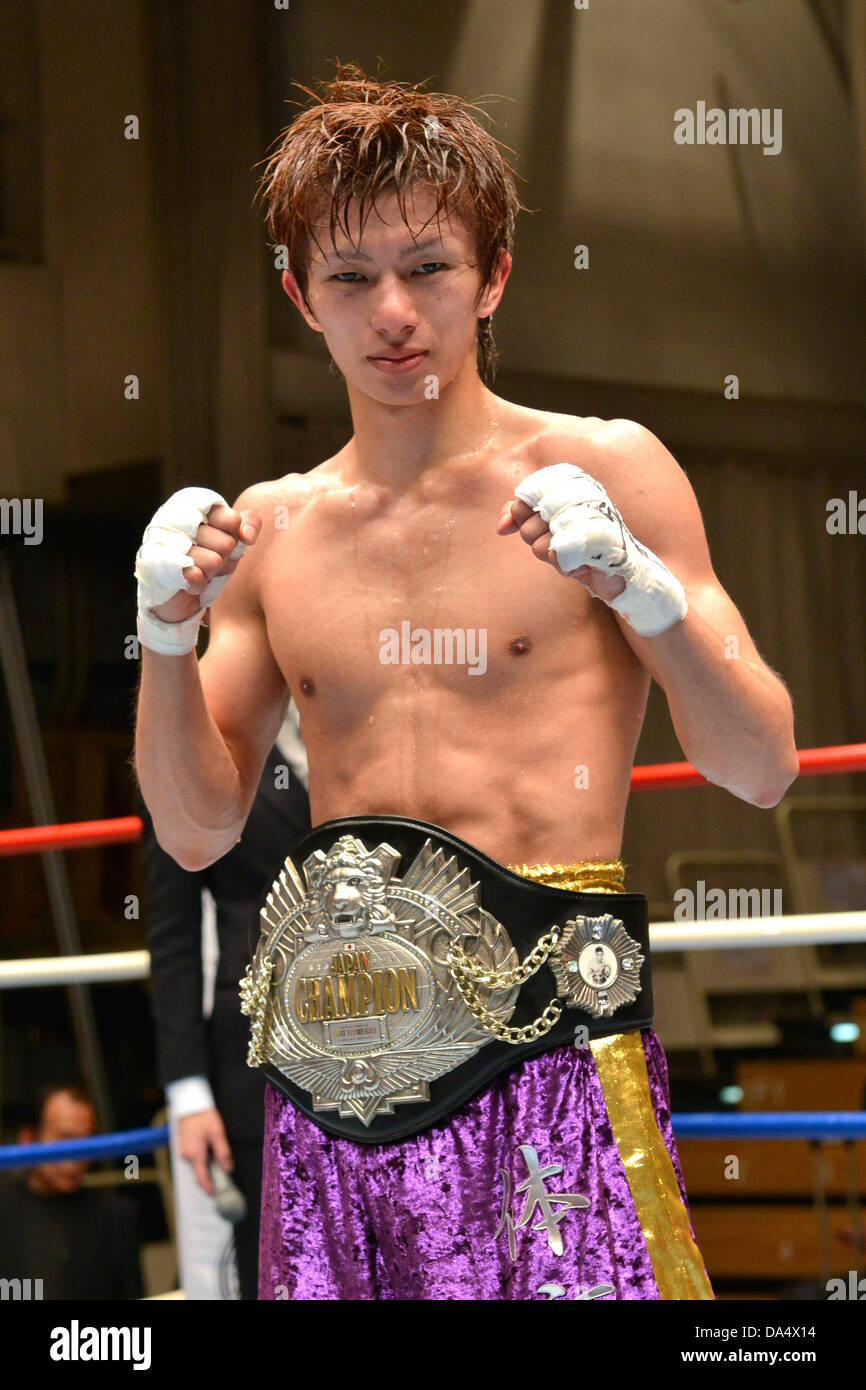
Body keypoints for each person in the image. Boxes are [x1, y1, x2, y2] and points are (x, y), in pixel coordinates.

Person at [132, 63, 798, 1300]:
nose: (393, 311)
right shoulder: (270, 530)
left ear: (492, 276)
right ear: (298, 297)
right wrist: (162, 640)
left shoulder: (609, 470)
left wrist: (639, 588)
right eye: (349, 277)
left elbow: (758, 768)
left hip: (552, 1062)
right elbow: (192, 823)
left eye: (428, 267)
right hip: (334, 1084)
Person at [141, 705, 310, 1299]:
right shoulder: (195, 737)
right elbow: (173, 934)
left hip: (402, 1038)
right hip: (256, 1062)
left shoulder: (377, 709)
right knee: (273, 1266)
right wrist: (188, 1092)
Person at [0, 1084, 142, 1299]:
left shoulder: (116, 1216)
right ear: (28, 1139)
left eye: (86, 1142)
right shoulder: (5, 1213)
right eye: (65, 1139)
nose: (77, 1157)